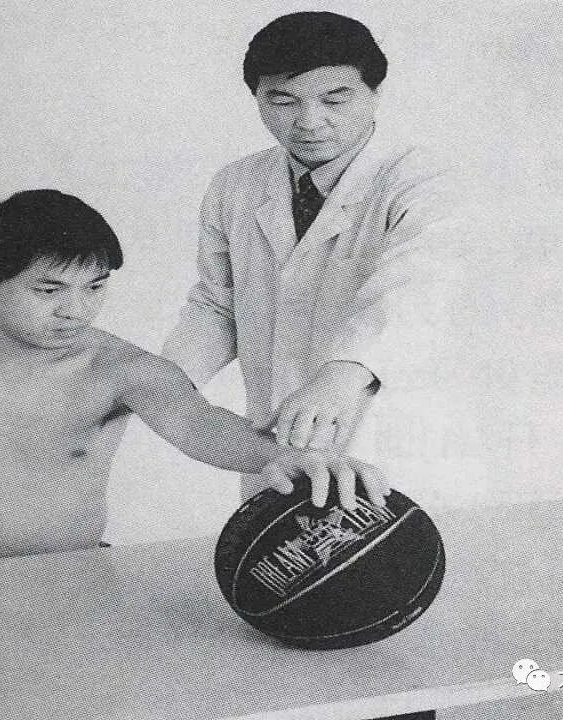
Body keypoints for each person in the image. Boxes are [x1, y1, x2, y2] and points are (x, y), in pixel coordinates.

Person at [0, 189, 388, 611]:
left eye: (94, 288)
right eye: (49, 290)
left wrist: (282, 457)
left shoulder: (119, 366)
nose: (76, 310)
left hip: (81, 577)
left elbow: (199, 423)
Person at [163, 11, 463, 501]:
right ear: (257, 98)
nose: (308, 121)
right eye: (283, 100)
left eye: (335, 99)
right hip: (277, 444)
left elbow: (417, 287)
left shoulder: (420, 178)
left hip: (390, 436)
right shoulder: (236, 184)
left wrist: (343, 374)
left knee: (393, 542)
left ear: (375, 93)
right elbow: (218, 306)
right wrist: (158, 383)